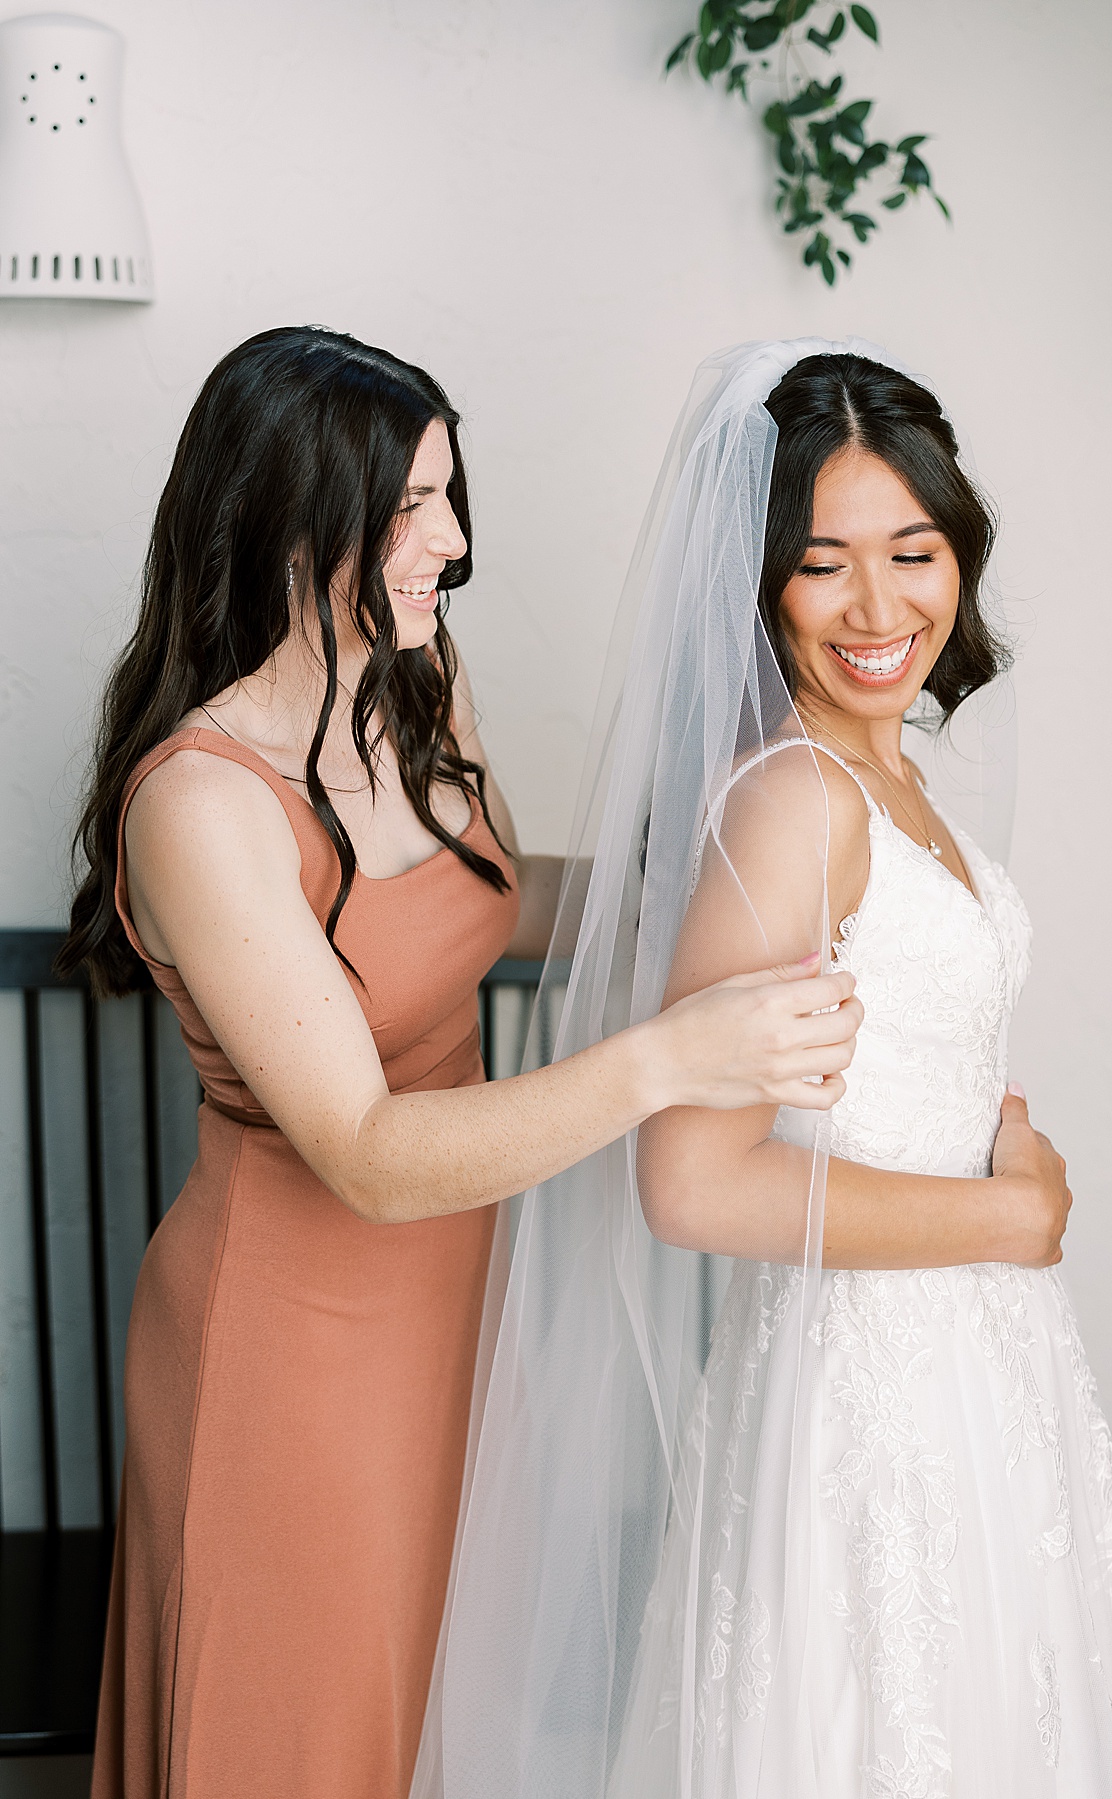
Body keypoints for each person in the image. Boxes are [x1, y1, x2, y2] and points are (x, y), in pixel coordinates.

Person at [59, 326, 864, 1799]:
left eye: (449, 494)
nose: (455, 541)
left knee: (430, 1709)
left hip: (454, 1303)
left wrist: (716, 875)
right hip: (292, 1336)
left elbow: (485, 897)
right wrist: (670, 1056)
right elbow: (363, 1152)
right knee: (302, 1731)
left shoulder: (414, 679)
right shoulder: (199, 802)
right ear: (290, 523)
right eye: (411, 507)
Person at [414, 342, 1112, 1799]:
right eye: (825, 564)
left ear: (960, 555)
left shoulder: (889, 774)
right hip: (869, 1394)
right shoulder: (795, 802)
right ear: (760, 586)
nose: (881, 608)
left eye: (914, 550)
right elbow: (691, 1182)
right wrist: (1007, 1220)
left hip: (981, 1372)